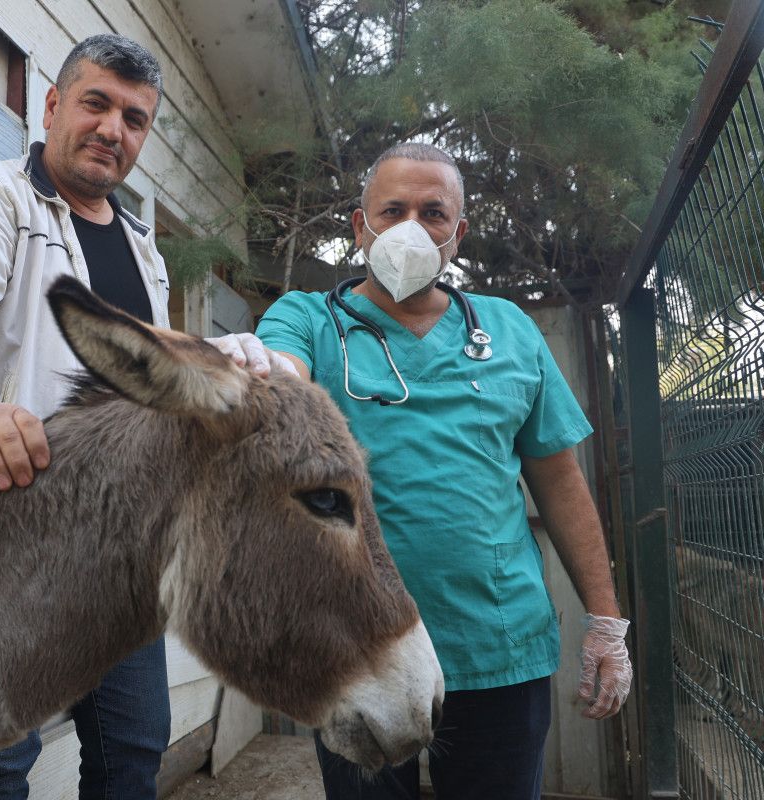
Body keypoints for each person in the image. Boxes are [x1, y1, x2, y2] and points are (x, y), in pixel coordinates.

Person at [0, 34, 287, 800]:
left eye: (134, 119)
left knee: (132, 750)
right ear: (53, 105)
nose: (113, 129)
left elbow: (139, 363)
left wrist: (220, 350)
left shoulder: (142, 247)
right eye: (96, 104)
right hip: (9, 531)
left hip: (119, 544)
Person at [255, 142, 633, 800]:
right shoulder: (308, 320)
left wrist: (605, 623)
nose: (410, 227)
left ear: (457, 234)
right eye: (392, 209)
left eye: (432, 213)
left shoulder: (510, 331)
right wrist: (257, 374)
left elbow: (563, 485)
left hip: (497, 647)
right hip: (356, 650)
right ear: (358, 225)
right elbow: (278, 374)